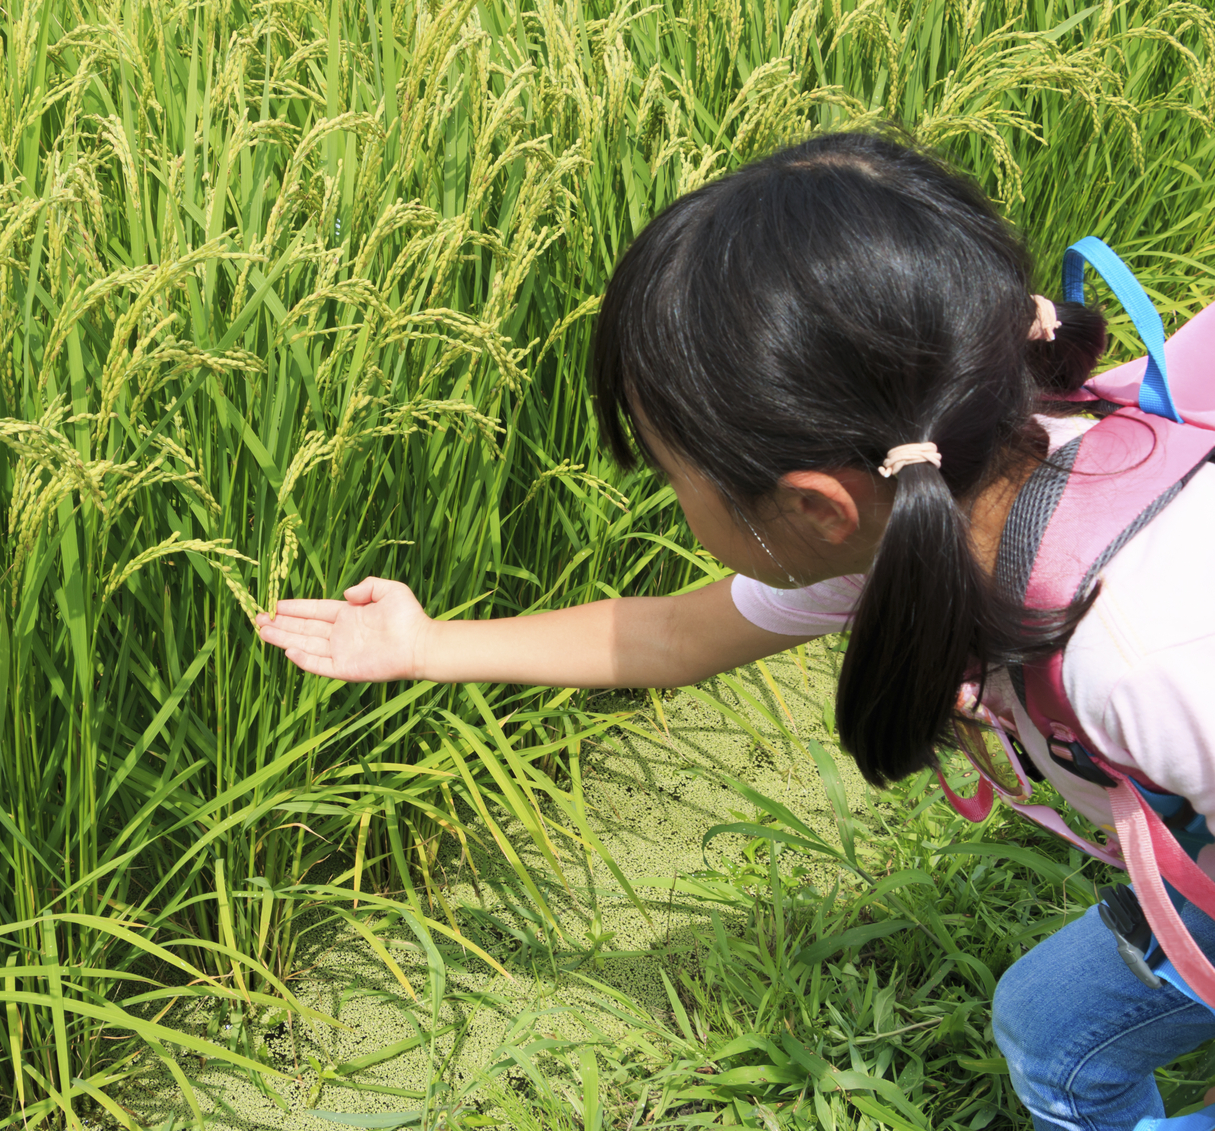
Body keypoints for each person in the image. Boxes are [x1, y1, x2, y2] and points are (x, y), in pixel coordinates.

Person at [252, 132, 1215, 1131]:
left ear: (810, 507)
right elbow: (668, 637)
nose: (677, 505)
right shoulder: (930, 502)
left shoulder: (1145, 655)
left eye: (674, 479)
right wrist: (424, 646)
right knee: (1048, 1033)